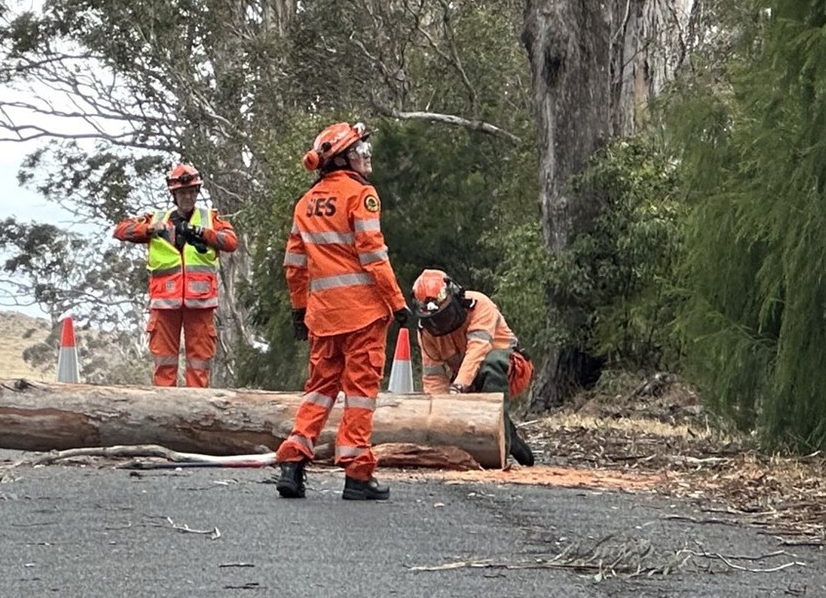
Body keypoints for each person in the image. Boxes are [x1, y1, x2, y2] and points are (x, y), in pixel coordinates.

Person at [273, 121, 411, 501]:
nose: (366, 156)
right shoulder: (361, 196)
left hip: (322, 315)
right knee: (361, 394)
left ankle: (294, 463)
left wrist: (299, 311)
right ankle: (357, 474)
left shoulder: (305, 204)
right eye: (360, 150)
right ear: (343, 158)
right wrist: (398, 303)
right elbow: (373, 256)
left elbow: (294, 265)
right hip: (363, 314)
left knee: (318, 391)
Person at [112, 162, 240, 387]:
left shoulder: (209, 219)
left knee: (199, 365)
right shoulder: (157, 218)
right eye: (182, 192)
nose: (187, 197)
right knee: (164, 364)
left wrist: (202, 233)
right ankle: (165, 412)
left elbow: (230, 241)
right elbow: (121, 230)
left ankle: (198, 412)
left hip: (200, 304)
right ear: (174, 194)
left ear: (197, 192)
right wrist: (149, 230)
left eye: (191, 191)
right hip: (164, 304)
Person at [412, 269, 536, 467]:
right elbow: (433, 378)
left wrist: (459, 387)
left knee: (491, 364)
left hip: (512, 369)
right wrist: (440, 412)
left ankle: (499, 447)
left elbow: (478, 350)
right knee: (451, 402)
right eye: (434, 320)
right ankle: (505, 435)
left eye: (443, 316)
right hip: (469, 379)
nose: (439, 324)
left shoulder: (480, 305)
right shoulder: (426, 333)